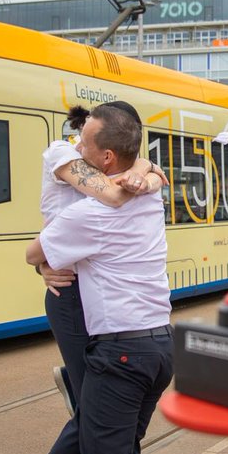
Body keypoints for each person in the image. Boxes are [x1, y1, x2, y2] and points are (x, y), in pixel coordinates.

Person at [5, 104, 194, 454]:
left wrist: (42, 264)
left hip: (117, 342)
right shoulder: (132, 193)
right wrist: (149, 176)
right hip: (144, 338)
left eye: (85, 143)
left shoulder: (99, 207)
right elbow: (126, 187)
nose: (76, 147)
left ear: (108, 155)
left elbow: (38, 248)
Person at [38, 103, 165, 416]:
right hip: (70, 286)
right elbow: (112, 196)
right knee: (94, 409)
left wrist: (145, 171)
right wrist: (143, 173)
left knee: (103, 403)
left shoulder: (118, 166)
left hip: (99, 284)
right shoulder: (62, 153)